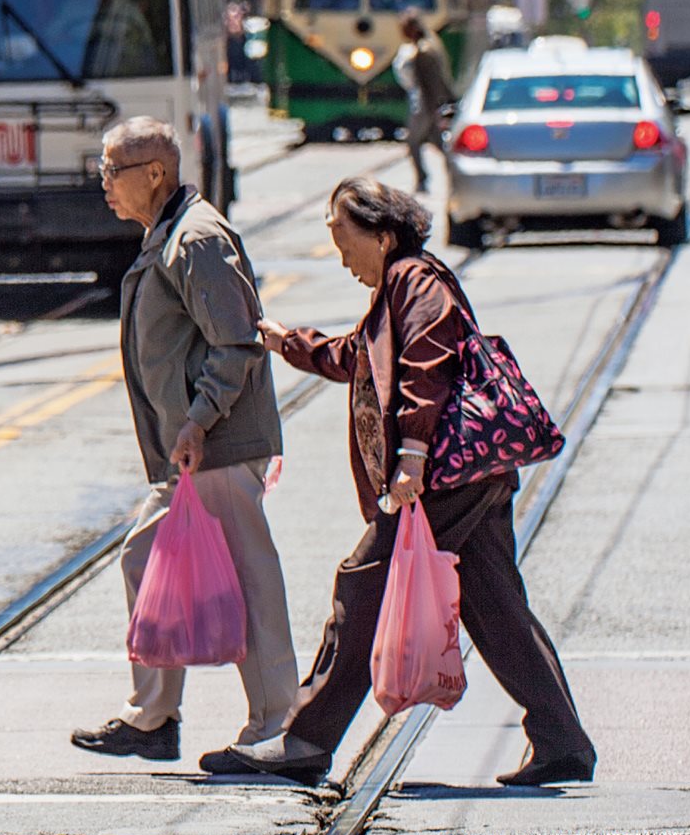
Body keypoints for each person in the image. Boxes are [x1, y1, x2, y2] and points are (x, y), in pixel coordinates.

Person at [207, 176, 595, 790]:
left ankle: (306, 740)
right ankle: (563, 741)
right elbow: (358, 356)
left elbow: (427, 363)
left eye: (345, 240)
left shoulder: (416, 281)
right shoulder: (397, 285)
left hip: (441, 476)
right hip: (472, 473)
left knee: (362, 586)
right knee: (495, 606)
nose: (340, 256)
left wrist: (411, 454)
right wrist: (293, 345)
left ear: (383, 236)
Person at [71, 116, 298, 765]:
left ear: (156, 174)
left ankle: (275, 722)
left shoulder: (195, 238)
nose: (105, 185)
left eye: (112, 171)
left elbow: (237, 340)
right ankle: (154, 715)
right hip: (193, 448)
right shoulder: (167, 234)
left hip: (216, 444)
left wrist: (199, 418)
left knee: (249, 579)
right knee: (146, 559)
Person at [396, 10, 454, 192]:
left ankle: (423, 179)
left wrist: (435, 107)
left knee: (413, 141)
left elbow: (432, 83)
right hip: (426, 105)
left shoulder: (423, 51)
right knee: (439, 144)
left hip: (424, 106)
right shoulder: (425, 46)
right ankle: (454, 174)